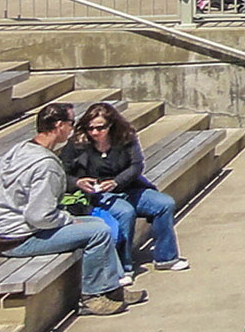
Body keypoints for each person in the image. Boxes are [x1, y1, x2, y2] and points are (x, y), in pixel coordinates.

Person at [0, 102, 139, 316]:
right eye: (71, 122)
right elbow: (39, 216)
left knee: (99, 223)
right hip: (19, 238)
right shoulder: (45, 166)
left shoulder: (20, 150)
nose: (73, 128)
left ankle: (114, 290)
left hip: (11, 229)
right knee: (99, 232)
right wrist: (68, 220)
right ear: (59, 125)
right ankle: (92, 296)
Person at [62, 102, 186, 283]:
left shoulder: (125, 138)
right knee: (125, 212)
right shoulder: (77, 144)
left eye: (100, 128)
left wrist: (116, 181)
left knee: (164, 204)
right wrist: (79, 182)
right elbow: (62, 173)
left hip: (129, 187)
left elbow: (136, 166)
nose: (95, 132)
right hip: (98, 193)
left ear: (111, 125)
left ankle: (166, 257)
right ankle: (124, 267)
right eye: (91, 128)